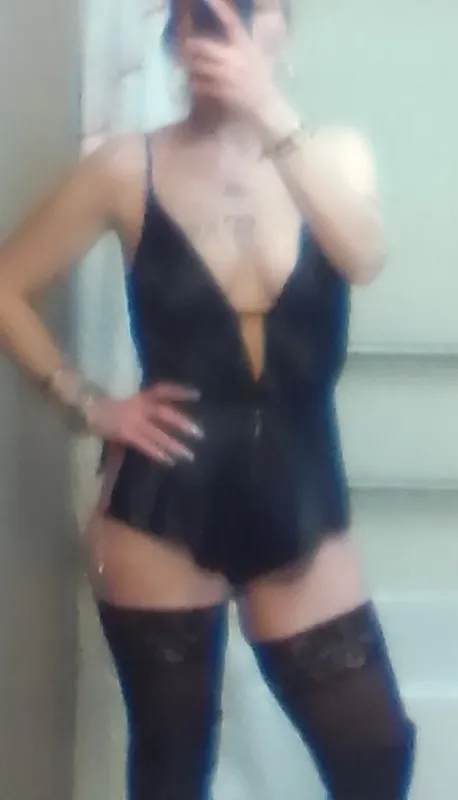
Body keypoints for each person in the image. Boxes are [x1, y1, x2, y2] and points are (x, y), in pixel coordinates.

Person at [0, 0, 416, 797]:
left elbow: (363, 257)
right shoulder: (126, 167)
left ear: (283, 30)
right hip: (162, 500)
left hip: (299, 490)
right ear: (175, 39)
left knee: (375, 754)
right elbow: (7, 285)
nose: (220, 30)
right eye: (197, 15)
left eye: (247, 9)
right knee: (171, 769)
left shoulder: (336, 154)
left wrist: (268, 111)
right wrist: (88, 404)